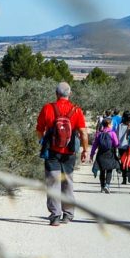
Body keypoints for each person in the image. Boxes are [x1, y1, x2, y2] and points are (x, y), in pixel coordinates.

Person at [35, 82, 88, 227]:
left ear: (56, 93)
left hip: (52, 151)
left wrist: (42, 142)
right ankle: (68, 214)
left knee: (53, 182)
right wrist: (85, 150)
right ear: (69, 94)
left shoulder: (48, 108)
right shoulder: (76, 110)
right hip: (69, 152)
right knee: (67, 182)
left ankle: (55, 215)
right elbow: (83, 132)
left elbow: (39, 129)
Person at [90, 118, 121, 193]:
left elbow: (94, 145)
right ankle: (107, 185)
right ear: (109, 125)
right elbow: (116, 144)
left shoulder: (99, 133)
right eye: (112, 124)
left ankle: (102, 187)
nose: (112, 125)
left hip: (101, 153)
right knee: (109, 169)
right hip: (110, 153)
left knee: (102, 170)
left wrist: (92, 154)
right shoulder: (112, 133)